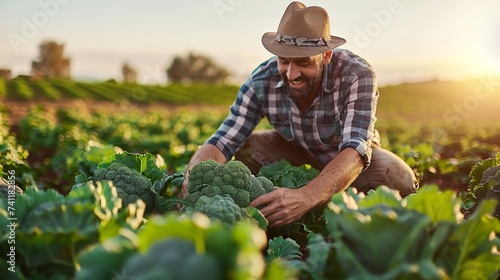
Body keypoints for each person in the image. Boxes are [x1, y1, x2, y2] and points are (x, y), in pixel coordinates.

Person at [181, 1, 418, 227]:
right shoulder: (260, 81)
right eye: (284, 61)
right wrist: (196, 174)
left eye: (303, 63)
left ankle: (318, 198)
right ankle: (272, 204)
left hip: (345, 159)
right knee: (246, 148)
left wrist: (306, 196)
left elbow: (355, 148)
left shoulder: (357, 74)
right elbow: (222, 140)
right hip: (293, 150)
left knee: (398, 179)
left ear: (326, 55)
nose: (291, 73)